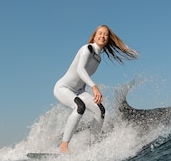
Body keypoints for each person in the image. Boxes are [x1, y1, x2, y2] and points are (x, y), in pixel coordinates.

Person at [53, 24, 139, 153]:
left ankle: (93, 147)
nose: (103, 36)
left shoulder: (98, 58)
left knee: (100, 110)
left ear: (108, 39)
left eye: (105, 34)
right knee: (79, 107)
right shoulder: (87, 49)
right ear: (94, 36)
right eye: (100, 33)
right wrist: (94, 87)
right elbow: (80, 70)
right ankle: (64, 146)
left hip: (79, 91)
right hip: (63, 88)